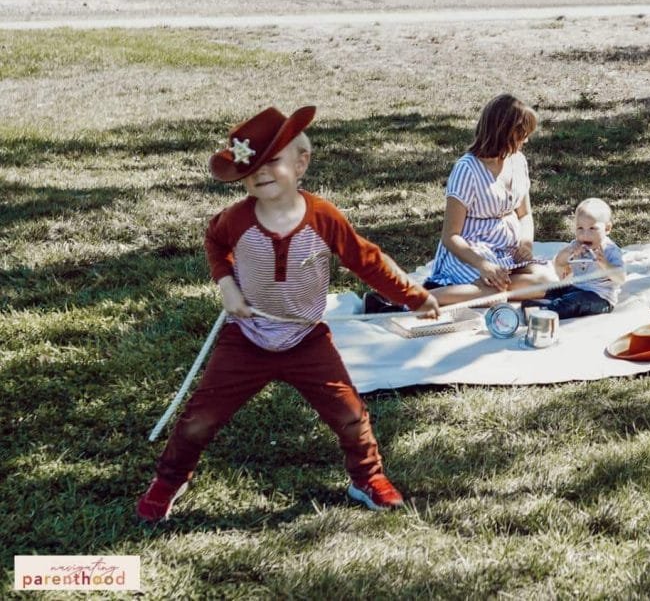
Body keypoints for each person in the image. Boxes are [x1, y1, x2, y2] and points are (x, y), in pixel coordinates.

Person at [136, 105, 440, 522]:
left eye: (273, 160)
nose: (261, 172)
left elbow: (366, 260)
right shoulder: (235, 220)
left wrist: (413, 297)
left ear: (301, 163)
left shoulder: (323, 218)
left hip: (306, 339)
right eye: (252, 166)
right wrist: (226, 284)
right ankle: (170, 479)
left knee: (350, 416)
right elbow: (214, 242)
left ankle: (366, 477)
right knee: (198, 419)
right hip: (246, 338)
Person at [424, 94, 559, 304]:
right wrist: (483, 266)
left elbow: (525, 214)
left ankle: (476, 292)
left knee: (549, 281)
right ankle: (414, 298)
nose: (526, 140)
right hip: (472, 252)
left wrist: (526, 243)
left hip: (506, 251)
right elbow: (450, 236)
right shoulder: (467, 170)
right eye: (522, 134)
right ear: (504, 133)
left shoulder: (518, 161)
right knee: (496, 293)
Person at [542, 197, 626, 317]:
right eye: (580, 228)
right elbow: (558, 262)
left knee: (574, 302)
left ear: (607, 228)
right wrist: (569, 251)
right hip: (577, 287)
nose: (585, 234)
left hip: (599, 297)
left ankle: (545, 311)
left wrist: (605, 264)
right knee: (555, 289)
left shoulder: (610, 250)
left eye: (592, 228)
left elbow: (621, 278)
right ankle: (544, 304)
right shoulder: (576, 245)